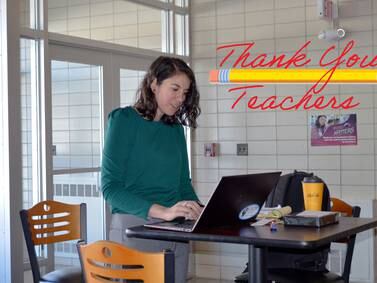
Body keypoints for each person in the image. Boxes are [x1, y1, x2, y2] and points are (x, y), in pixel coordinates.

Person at [101, 56, 202, 283]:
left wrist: (200, 210)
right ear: (154, 84)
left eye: (185, 92)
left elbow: (182, 184)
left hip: (176, 230)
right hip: (135, 227)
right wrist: (163, 212)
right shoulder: (123, 120)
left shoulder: (175, 129)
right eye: (174, 88)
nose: (180, 99)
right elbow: (111, 188)